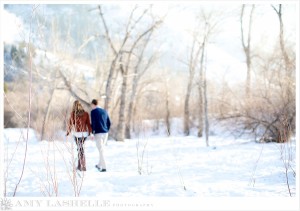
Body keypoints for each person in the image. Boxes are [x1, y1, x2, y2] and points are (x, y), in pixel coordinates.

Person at [66, 100, 92, 171]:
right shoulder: (86, 113)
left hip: (77, 134)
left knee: (80, 149)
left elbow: (70, 124)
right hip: (84, 134)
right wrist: (90, 132)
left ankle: (82, 166)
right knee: (80, 149)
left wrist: (68, 133)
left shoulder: (73, 114)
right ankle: (80, 165)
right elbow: (88, 124)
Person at [90, 99, 111, 172]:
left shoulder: (93, 112)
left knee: (101, 150)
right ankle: (99, 165)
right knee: (102, 150)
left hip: (98, 133)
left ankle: (104, 167)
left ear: (93, 104)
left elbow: (93, 123)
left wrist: (92, 132)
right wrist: (106, 129)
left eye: (91, 105)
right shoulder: (104, 111)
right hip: (105, 133)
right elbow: (109, 122)